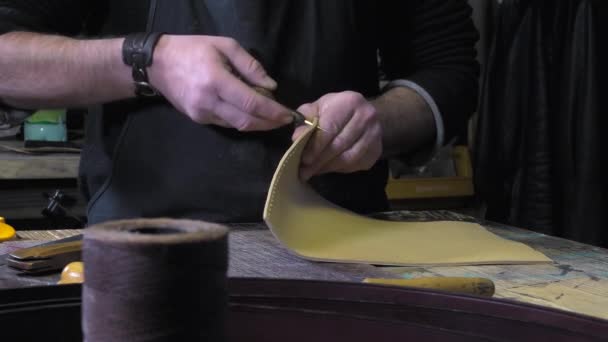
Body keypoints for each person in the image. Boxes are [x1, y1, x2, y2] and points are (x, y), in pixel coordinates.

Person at [0, 1, 479, 224]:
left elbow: (449, 66)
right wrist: (150, 62)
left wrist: (379, 122)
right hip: (150, 248)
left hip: (342, 250)